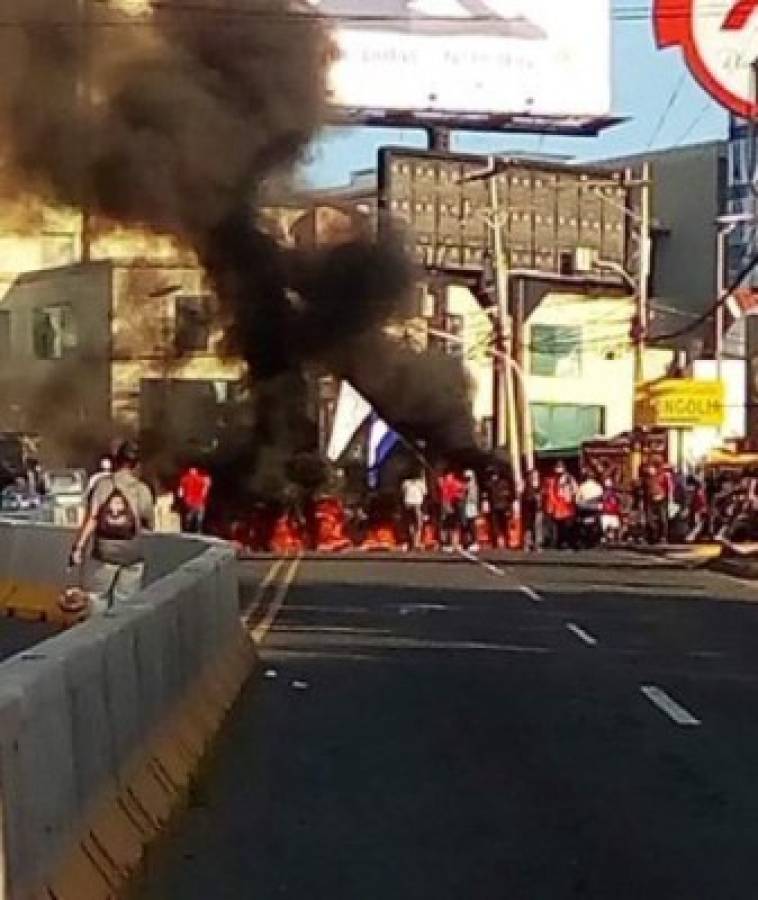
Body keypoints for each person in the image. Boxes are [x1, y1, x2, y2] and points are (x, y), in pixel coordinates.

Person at [69, 441, 155, 614]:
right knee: (125, 606)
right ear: (137, 465)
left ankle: (97, 637)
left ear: (116, 460)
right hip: (131, 555)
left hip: (104, 554)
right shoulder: (142, 490)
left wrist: (78, 548)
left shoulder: (102, 485)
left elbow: (92, 518)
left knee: (97, 600)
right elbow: (149, 523)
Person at [548, 461, 577, 549]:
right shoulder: (553, 480)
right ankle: (559, 542)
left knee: (568, 525)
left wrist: (571, 496)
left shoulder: (569, 478)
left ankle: (568, 542)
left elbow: (575, 489)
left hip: (567, 503)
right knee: (559, 525)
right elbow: (551, 492)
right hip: (558, 503)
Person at [178, 465, 212, 533]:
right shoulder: (201, 478)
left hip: (190, 501)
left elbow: (180, 492)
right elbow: (206, 487)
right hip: (198, 501)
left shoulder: (185, 478)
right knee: (198, 515)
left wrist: (182, 497)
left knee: (190, 515)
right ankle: (197, 529)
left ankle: (188, 529)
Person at [439, 468, 465, 551]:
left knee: (454, 526)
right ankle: (448, 543)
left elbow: (462, 491)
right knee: (447, 526)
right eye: (447, 475)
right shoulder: (443, 484)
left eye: (449, 475)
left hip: (454, 506)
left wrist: (457, 496)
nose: (448, 477)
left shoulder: (455, 483)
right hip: (446, 506)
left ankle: (455, 543)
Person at [486, 467, 512, 549]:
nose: (493, 477)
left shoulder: (504, 483)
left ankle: (507, 542)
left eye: (495, 475)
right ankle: (496, 543)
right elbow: (488, 495)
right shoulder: (490, 484)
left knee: (504, 526)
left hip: (503, 507)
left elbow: (508, 496)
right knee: (495, 526)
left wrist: (508, 508)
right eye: (492, 475)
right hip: (494, 507)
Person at [402, 470, 427, 550]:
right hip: (417, 504)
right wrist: (424, 480)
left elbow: (403, 492)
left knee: (411, 523)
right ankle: (416, 542)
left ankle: (412, 540)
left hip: (408, 503)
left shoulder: (406, 483)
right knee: (419, 524)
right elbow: (425, 493)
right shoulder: (420, 483)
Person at [523, 469, 544, 552]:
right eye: (533, 476)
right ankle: (527, 544)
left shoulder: (540, 486)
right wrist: (534, 497)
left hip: (538, 509)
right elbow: (526, 497)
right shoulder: (527, 486)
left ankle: (537, 544)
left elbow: (542, 496)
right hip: (529, 510)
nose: (535, 477)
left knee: (538, 527)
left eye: (536, 476)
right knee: (528, 528)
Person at [462, 469, 480, 551]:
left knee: (472, 524)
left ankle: (475, 542)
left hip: (471, 505)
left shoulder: (472, 485)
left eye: (468, 477)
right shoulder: (468, 484)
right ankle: (470, 541)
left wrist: (465, 494)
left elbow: (472, 497)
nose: (467, 478)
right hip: (468, 505)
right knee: (468, 525)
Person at [600, 477, 622, 544]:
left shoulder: (614, 494)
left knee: (613, 526)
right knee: (607, 527)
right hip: (607, 513)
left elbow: (618, 502)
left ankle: (611, 537)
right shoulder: (604, 494)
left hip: (611, 513)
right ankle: (607, 537)